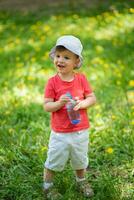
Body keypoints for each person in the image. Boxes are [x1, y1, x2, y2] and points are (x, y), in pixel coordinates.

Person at [43, 35, 96, 199]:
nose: (60, 60)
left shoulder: (81, 79)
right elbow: (46, 106)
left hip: (80, 130)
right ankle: (47, 185)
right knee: (54, 159)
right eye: (58, 56)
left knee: (80, 159)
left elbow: (92, 98)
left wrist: (83, 104)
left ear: (76, 62)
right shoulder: (52, 82)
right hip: (60, 133)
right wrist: (59, 103)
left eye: (66, 57)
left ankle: (81, 181)